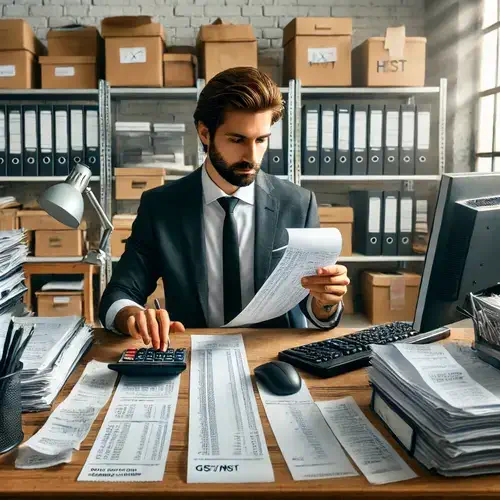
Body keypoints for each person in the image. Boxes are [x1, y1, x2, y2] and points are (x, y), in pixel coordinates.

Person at [99, 67, 350, 350]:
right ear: (205, 133)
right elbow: (118, 294)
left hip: (275, 359)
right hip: (191, 355)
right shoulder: (161, 207)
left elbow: (315, 313)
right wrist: (132, 315)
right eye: (237, 139)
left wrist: (326, 303)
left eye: (261, 140)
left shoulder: (299, 205)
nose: (252, 157)